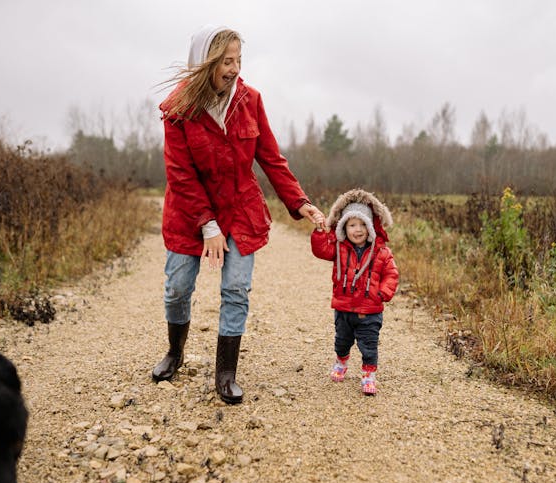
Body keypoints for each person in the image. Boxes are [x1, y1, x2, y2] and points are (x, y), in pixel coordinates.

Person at [152, 25, 325, 405]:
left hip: (240, 209)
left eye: (238, 60)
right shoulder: (177, 110)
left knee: (235, 289)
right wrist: (207, 226)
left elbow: (271, 159)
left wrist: (299, 202)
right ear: (205, 64)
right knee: (177, 288)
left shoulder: (250, 100)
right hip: (189, 213)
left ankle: (225, 373)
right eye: (226, 61)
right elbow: (180, 175)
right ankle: (175, 352)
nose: (234, 68)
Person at [311, 189, 399, 395]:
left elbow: (392, 274)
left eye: (362, 225)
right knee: (342, 341)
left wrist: (382, 293)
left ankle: (369, 376)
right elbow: (321, 250)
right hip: (344, 308)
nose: (357, 230)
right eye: (352, 225)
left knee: (369, 345)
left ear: (370, 227)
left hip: (370, 310)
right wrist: (319, 232)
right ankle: (341, 361)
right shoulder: (339, 248)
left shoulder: (382, 252)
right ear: (344, 228)